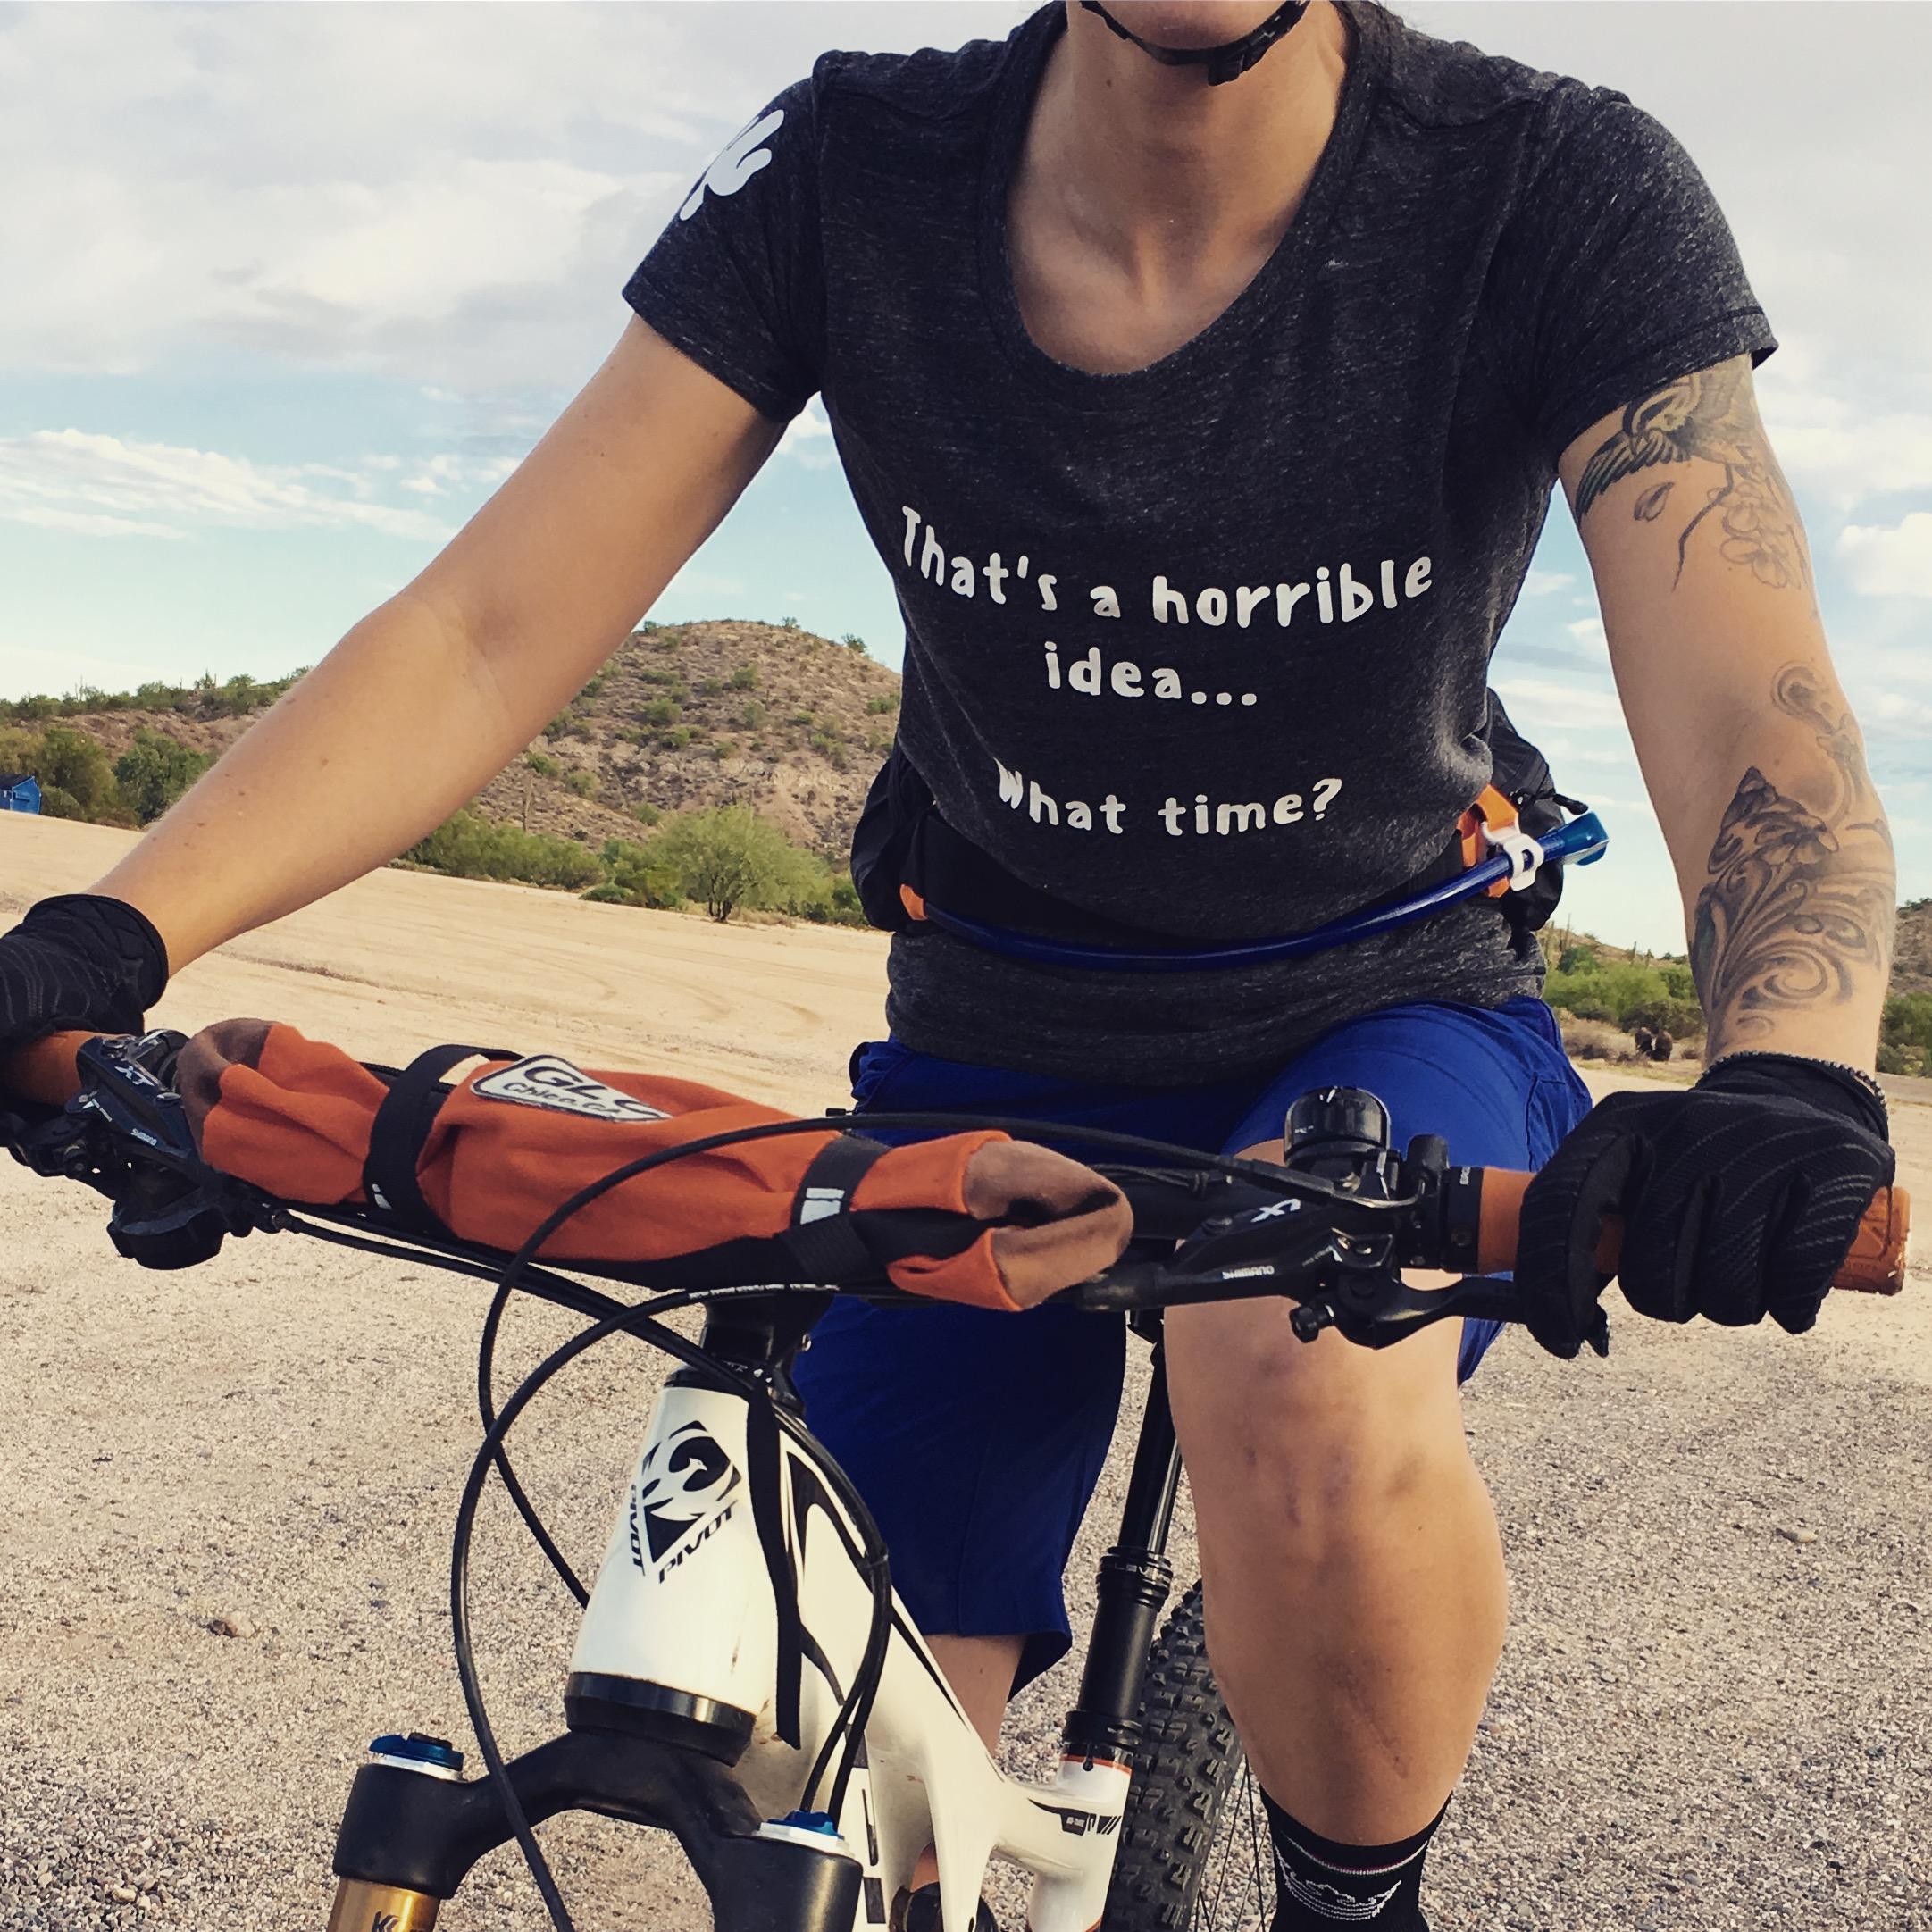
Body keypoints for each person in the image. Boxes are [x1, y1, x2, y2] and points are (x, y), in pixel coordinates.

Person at [0, 4, 1897, 1926]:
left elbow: (1747, 687)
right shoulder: (849, 171)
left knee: (1293, 1367)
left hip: (1387, 1007)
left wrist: (1788, 1065)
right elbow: (488, 626)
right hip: (993, 1046)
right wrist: (106, 932)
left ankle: (1350, 1906)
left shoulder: (1550, 183)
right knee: (838, 1743)